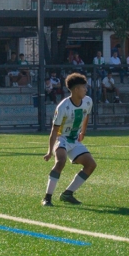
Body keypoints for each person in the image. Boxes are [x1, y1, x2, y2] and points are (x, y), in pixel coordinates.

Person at [42, 73, 96, 207]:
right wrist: (50, 151)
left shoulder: (88, 101)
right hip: (62, 139)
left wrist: (83, 131)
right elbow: (54, 131)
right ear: (76, 89)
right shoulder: (62, 107)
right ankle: (47, 198)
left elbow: (87, 115)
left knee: (91, 165)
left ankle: (68, 193)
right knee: (61, 161)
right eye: (84, 87)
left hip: (74, 140)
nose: (86, 89)